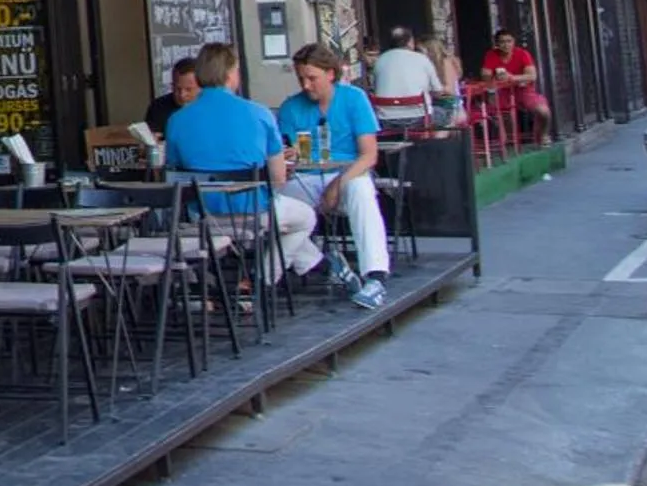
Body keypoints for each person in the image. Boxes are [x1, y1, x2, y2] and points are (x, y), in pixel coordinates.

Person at [164, 43, 325, 282]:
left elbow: (175, 172)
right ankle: (264, 278)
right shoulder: (259, 113)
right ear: (231, 73)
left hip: (201, 216)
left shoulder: (176, 120)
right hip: (253, 211)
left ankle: (316, 266)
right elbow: (278, 178)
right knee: (305, 218)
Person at [279, 44, 392, 310]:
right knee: (268, 204)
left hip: (347, 173)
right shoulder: (290, 108)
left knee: (362, 190)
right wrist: (287, 157)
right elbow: (282, 159)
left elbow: (368, 156)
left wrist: (337, 184)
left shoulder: (354, 98)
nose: (306, 85)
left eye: (312, 78)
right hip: (305, 178)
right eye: (301, 78)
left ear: (331, 74)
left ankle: (375, 276)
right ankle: (320, 262)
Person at [482, 28, 553, 144]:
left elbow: (532, 76)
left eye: (509, 41)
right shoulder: (491, 55)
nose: (506, 45)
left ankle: (544, 134)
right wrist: (492, 77)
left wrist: (512, 77)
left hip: (524, 90)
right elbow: (485, 75)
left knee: (543, 111)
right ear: (497, 44)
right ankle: (510, 140)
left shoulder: (522, 54)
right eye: (502, 42)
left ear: (513, 42)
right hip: (502, 90)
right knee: (497, 109)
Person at [370, 26, 443, 131]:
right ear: (410, 42)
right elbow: (438, 91)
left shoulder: (380, 60)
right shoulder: (422, 59)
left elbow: (375, 89)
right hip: (419, 118)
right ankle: (435, 146)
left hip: (385, 119)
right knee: (448, 113)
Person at [144, 56, 200, 138]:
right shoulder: (158, 107)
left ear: (201, 87)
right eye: (177, 88)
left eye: (188, 89)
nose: (182, 94)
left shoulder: (212, 108)